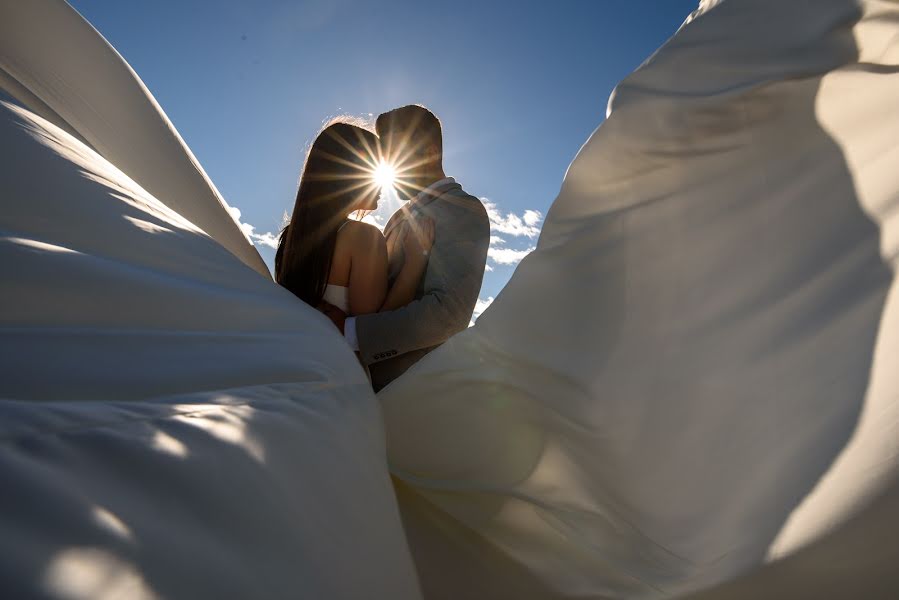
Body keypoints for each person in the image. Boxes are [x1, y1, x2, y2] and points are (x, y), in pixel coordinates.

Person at [323, 105, 491, 392]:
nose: (388, 165)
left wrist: (350, 332)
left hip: (406, 391)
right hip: (354, 380)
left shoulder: (462, 209)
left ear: (428, 152)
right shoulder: (399, 216)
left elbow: (448, 314)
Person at [275, 119, 436, 344]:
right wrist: (415, 264)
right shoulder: (363, 237)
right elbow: (372, 328)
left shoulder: (289, 239)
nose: (382, 184)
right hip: (338, 366)